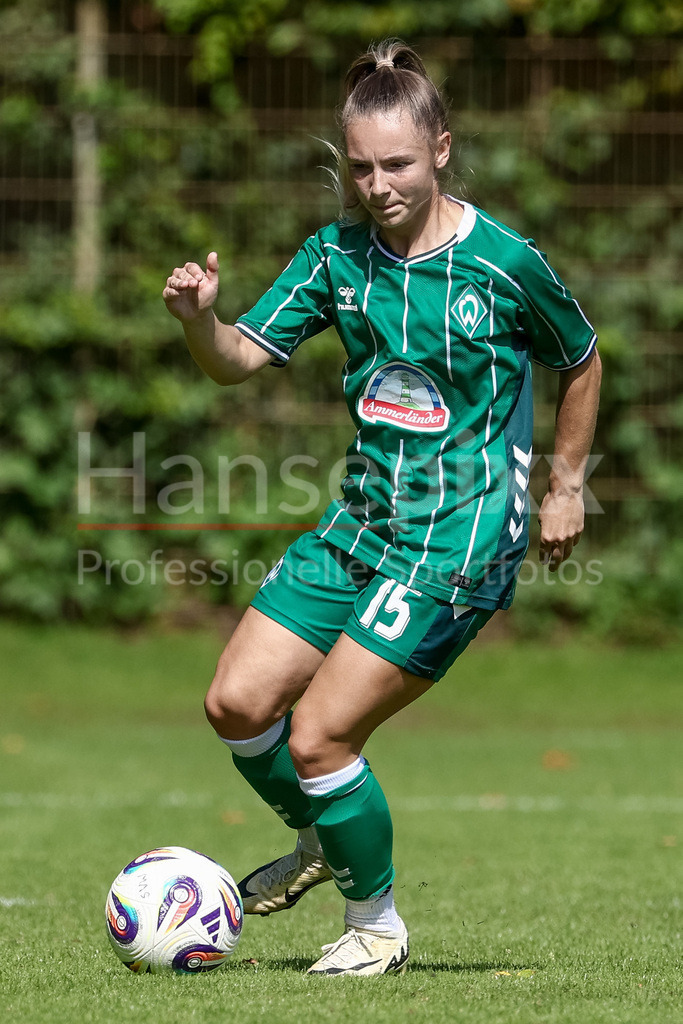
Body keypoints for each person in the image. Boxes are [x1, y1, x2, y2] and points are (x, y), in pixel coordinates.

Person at [163, 39, 602, 977]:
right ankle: (327, 833)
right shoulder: (335, 256)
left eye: (396, 163)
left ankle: (376, 929)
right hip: (361, 522)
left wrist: (564, 484)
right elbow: (240, 358)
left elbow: (579, 358)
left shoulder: (502, 261)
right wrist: (202, 321)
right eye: (359, 167)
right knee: (237, 705)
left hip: (462, 535)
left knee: (321, 733)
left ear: (439, 149)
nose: (377, 184)